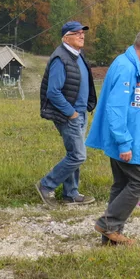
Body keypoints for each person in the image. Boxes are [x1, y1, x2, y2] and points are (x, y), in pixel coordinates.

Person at [85, 26, 140, 245]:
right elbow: (116, 108)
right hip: (123, 139)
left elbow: (136, 101)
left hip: (129, 135)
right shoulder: (125, 67)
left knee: (121, 184)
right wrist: (124, 143)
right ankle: (108, 224)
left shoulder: (132, 64)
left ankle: (110, 238)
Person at [36, 20, 97, 207]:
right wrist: (71, 113)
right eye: (77, 33)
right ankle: (46, 185)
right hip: (69, 115)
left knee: (73, 153)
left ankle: (71, 194)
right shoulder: (60, 59)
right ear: (66, 38)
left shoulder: (77, 55)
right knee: (78, 155)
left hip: (80, 112)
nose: (82, 36)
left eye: (82, 33)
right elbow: (53, 92)